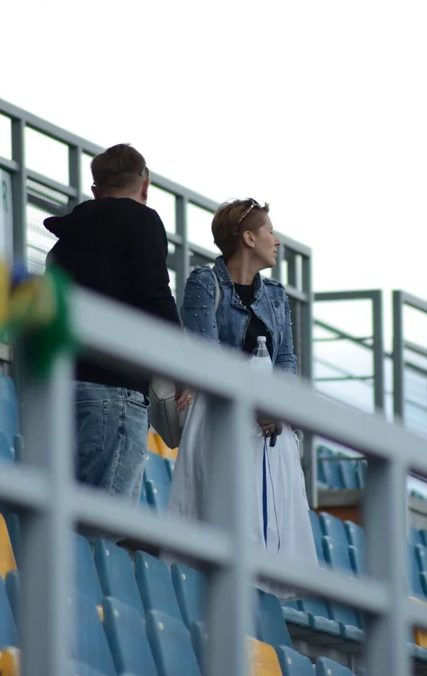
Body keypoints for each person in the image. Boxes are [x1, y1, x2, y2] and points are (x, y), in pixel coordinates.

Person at [167, 198, 317, 594]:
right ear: (249, 238)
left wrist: (277, 407)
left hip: (269, 428)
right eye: (269, 231)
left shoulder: (277, 295)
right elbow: (206, 355)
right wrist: (253, 405)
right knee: (226, 520)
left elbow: (286, 357)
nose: (277, 240)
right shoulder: (204, 282)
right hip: (223, 420)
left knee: (269, 533)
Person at [43, 144, 187, 502]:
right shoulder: (143, 221)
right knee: (104, 525)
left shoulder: (64, 242)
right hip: (115, 393)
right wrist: (185, 368)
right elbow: (156, 296)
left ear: (95, 190)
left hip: (61, 390)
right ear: (145, 185)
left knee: (67, 521)